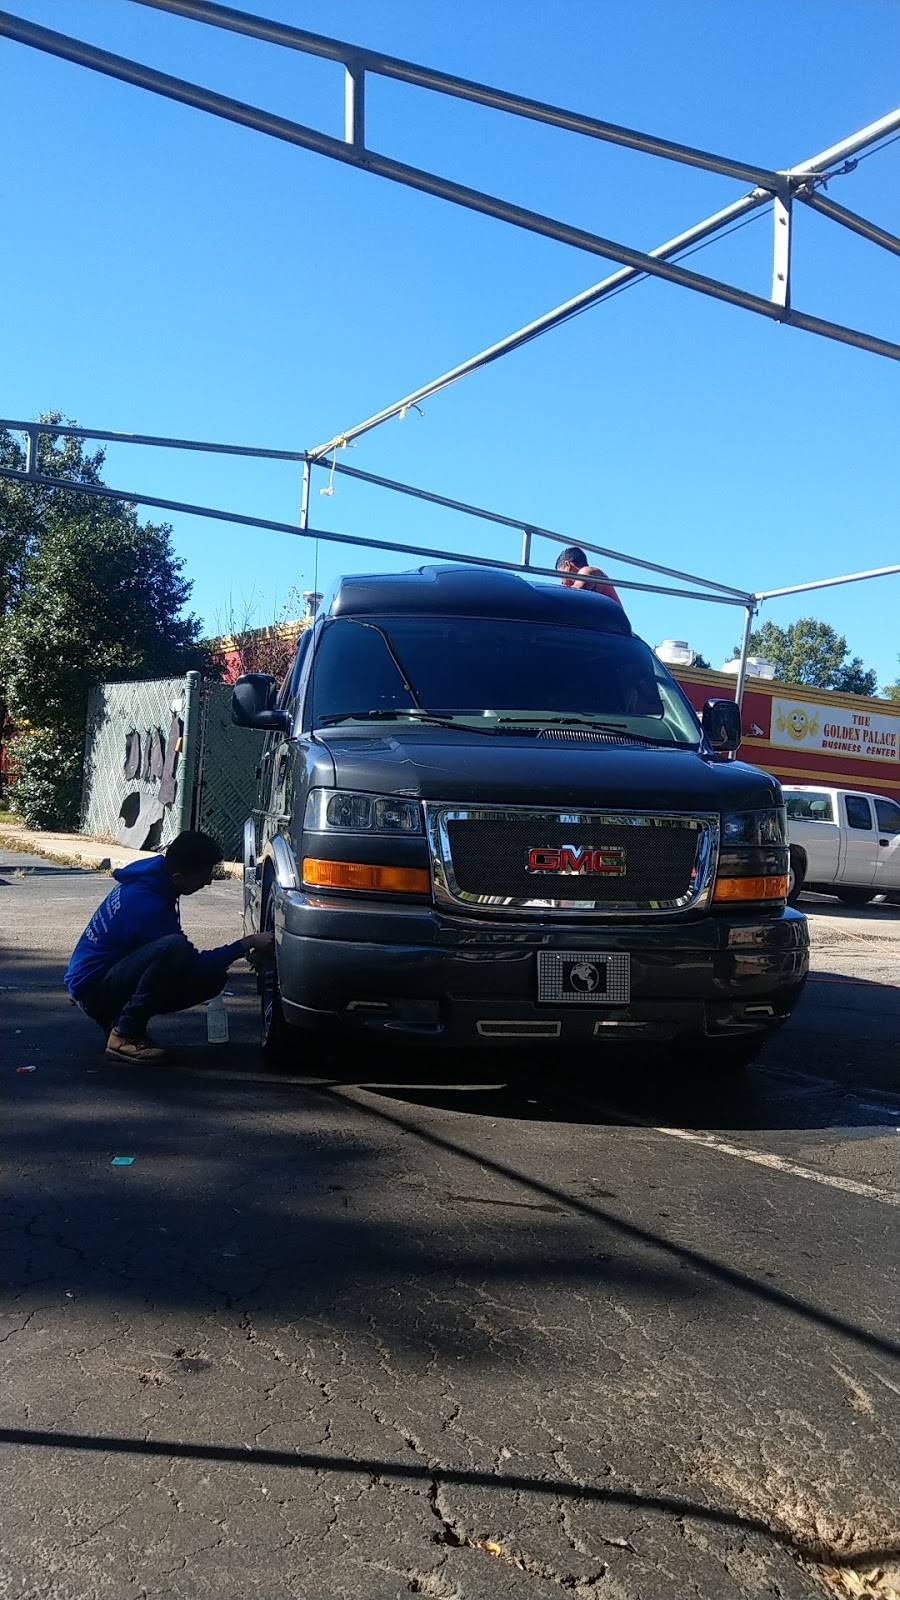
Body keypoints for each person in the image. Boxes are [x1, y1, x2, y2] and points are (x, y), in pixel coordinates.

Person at [65, 829, 274, 1063]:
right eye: (204, 875)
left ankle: (120, 1022)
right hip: (93, 990)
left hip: (104, 976)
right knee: (175, 950)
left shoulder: (154, 876)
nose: (208, 881)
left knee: (208, 973)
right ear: (177, 877)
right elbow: (192, 963)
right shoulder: (147, 904)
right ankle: (123, 1034)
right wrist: (247, 943)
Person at [555, 546, 622, 605]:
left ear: (567, 565)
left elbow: (576, 592)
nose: (562, 582)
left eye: (561, 575)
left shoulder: (588, 570)